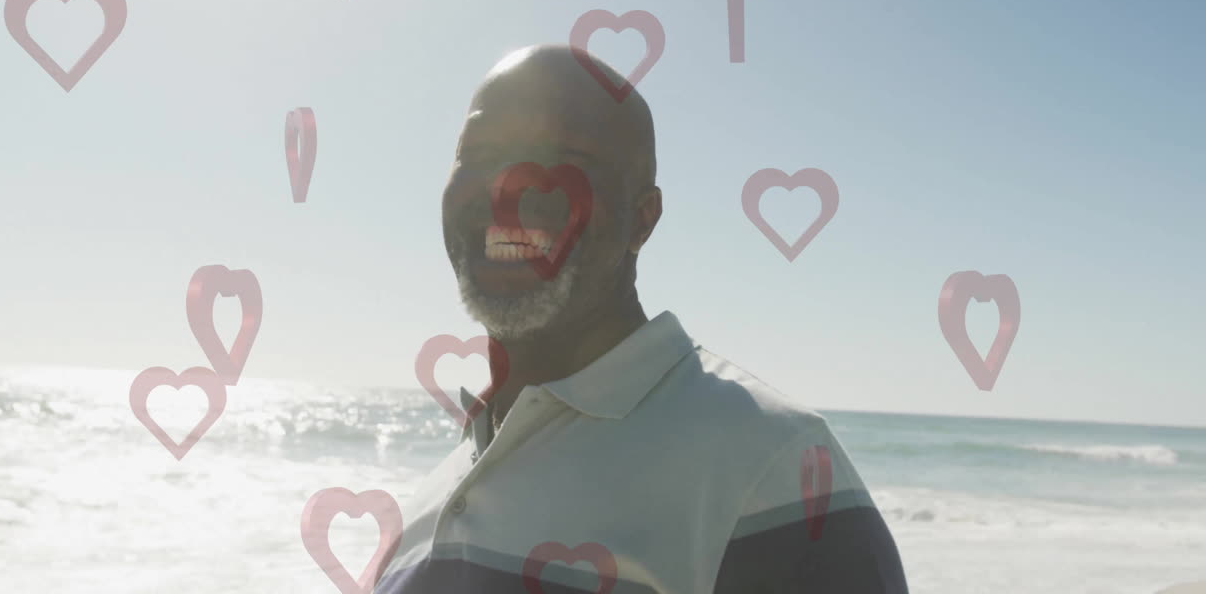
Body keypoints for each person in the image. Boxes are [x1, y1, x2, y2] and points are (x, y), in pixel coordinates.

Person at [374, 44, 910, 593]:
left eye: (567, 159)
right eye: (481, 151)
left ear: (642, 219)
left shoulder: (775, 469)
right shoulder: (448, 480)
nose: (510, 189)